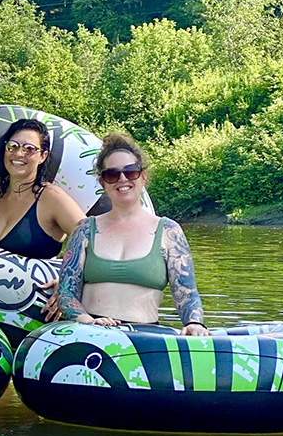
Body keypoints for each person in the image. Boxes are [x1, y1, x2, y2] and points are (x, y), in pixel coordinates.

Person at [56, 133, 210, 336]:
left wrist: (194, 323)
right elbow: (66, 291)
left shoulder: (168, 231)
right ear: (103, 182)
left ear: (143, 176)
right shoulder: (84, 230)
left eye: (131, 172)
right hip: (90, 333)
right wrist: (87, 320)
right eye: (112, 174)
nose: (122, 179)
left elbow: (187, 293)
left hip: (145, 336)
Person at [0, 119, 86, 259]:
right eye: (13, 146)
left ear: (42, 156)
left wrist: (64, 277)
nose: (18, 154)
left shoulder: (52, 198)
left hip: (40, 281)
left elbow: (93, 244)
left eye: (29, 149)